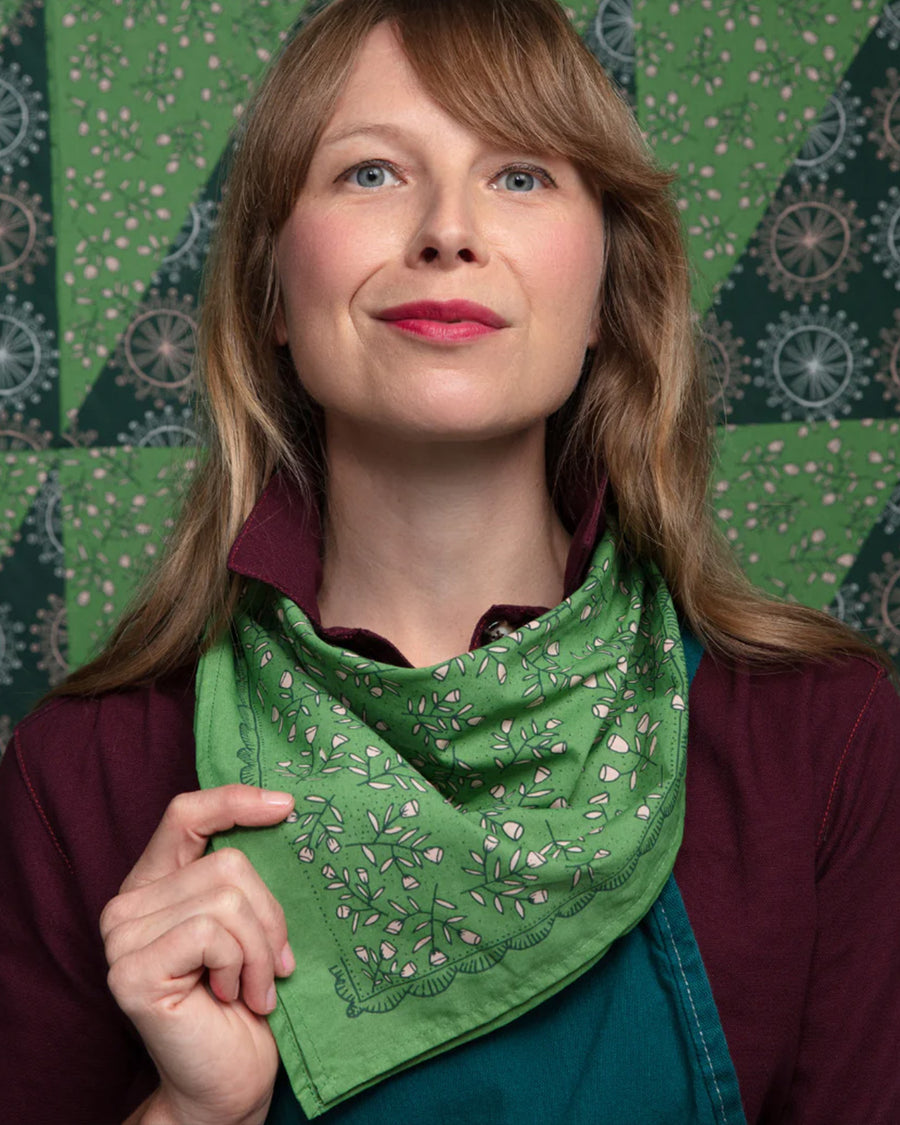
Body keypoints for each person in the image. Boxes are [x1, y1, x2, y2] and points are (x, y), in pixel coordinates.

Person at [1, 1, 898, 1122]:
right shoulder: (82, 775)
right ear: (272, 288)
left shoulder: (820, 741)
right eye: (371, 173)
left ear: (603, 294)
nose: (446, 232)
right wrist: (189, 1113)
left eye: (520, 175)